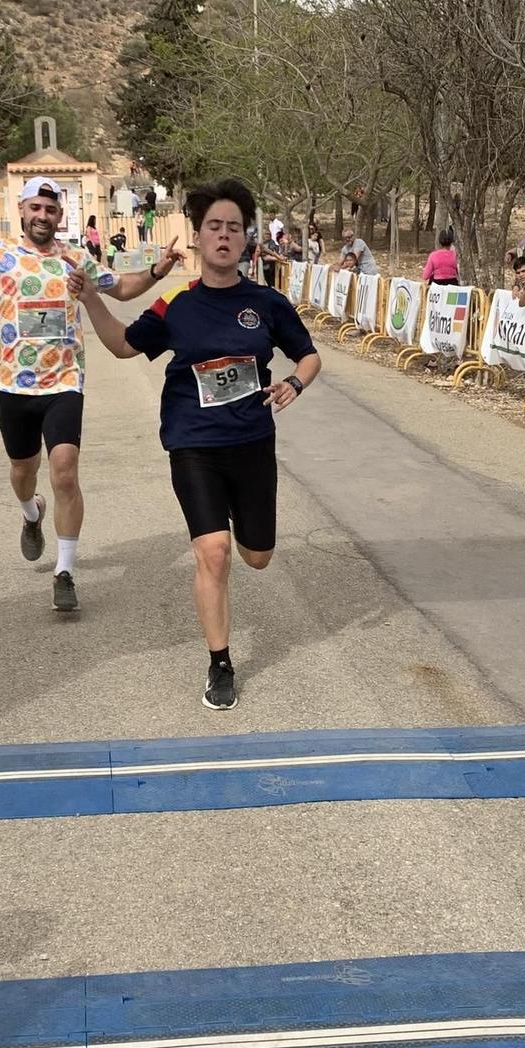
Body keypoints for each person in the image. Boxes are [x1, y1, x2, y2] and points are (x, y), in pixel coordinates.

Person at [71, 175, 320, 711]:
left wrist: (294, 382)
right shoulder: (176, 305)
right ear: (199, 237)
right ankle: (220, 662)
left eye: (234, 227)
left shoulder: (267, 302)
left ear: (247, 238)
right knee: (214, 553)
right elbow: (121, 345)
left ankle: (236, 524)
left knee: (257, 557)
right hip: (193, 444)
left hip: (252, 443)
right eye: (214, 227)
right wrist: (91, 298)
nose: (224, 236)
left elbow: (309, 355)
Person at [0, 176, 184, 612]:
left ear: (61, 215)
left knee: (66, 471)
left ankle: (65, 571)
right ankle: (31, 512)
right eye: (36, 208)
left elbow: (120, 287)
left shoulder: (75, 259)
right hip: (13, 385)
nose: (43, 216)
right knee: (22, 470)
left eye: (51, 210)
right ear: (22, 210)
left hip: (65, 382)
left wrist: (157, 271)